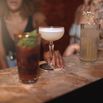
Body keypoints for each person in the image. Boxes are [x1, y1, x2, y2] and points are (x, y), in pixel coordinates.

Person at [0, 0, 63, 69]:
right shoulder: (1, 22)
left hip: (33, 67)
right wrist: (8, 75)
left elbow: (46, 36)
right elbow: (1, 56)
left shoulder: (36, 17)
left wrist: (49, 51)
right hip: (10, 67)